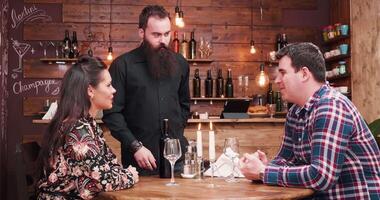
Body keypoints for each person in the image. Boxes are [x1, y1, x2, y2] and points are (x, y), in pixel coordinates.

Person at [239, 43, 380, 199]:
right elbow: (286, 159)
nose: (277, 80)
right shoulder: (295, 112)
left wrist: (263, 172)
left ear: (304, 74)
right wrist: (265, 166)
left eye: (283, 73)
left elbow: (321, 176)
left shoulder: (330, 106)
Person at [102, 5, 190, 176]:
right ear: (141, 33)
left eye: (166, 34)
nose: (163, 40)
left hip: (176, 160)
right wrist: (135, 146)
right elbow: (112, 114)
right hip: (140, 161)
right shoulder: (123, 65)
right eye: (156, 35)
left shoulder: (181, 63)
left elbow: (184, 105)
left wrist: (176, 132)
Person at [37, 56, 139, 199]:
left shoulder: (88, 124)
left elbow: (111, 165)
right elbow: (106, 179)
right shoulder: (77, 130)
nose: (114, 90)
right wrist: (130, 176)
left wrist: (119, 174)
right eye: (108, 85)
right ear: (90, 90)